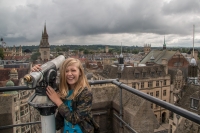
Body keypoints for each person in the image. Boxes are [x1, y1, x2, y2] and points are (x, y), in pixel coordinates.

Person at [31, 58, 99, 133]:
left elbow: (75, 119)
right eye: (66, 71)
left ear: (80, 72)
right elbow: (45, 87)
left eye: (73, 70)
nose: (69, 74)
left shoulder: (85, 93)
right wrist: (37, 73)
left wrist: (58, 101)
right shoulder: (63, 90)